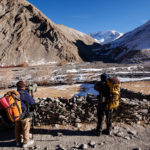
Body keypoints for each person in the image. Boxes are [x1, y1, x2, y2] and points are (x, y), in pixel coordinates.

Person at [15, 81, 35, 148]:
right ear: (24, 87)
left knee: (17, 127)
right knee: (25, 127)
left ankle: (18, 141)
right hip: (24, 114)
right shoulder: (24, 93)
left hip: (16, 114)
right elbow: (32, 102)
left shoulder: (15, 93)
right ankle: (26, 142)